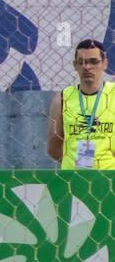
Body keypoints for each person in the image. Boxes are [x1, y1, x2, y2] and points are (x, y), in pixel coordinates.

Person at [47, 39, 114, 169]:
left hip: (110, 177)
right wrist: (72, 164)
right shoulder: (62, 98)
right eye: (81, 62)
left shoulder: (113, 95)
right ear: (75, 65)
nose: (87, 67)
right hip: (73, 179)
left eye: (93, 62)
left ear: (104, 63)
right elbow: (53, 146)